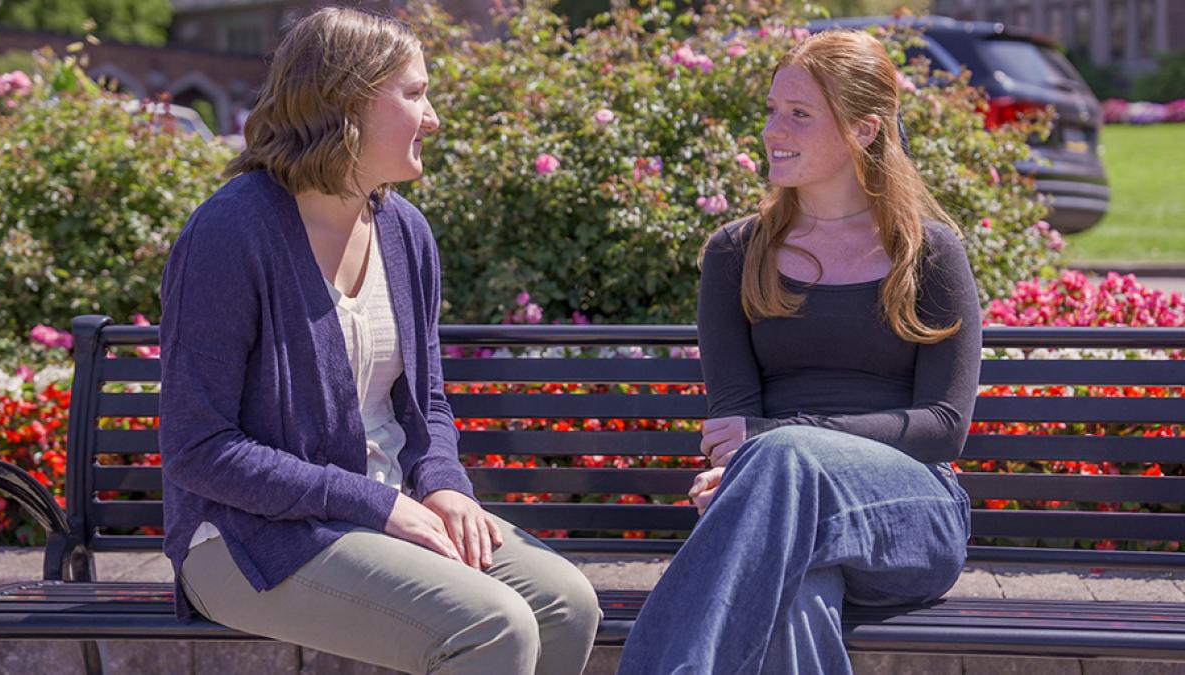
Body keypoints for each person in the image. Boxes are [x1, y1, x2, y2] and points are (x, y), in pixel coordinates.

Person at [158, 8, 600, 674]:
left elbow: (424, 399)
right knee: (492, 626)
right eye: (415, 94)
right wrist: (378, 502)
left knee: (567, 603)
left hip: (390, 508)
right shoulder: (231, 232)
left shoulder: (405, 231)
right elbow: (199, 449)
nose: (434, 118)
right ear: (346, 103)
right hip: (248, 538)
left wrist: (444, 484)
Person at [618, 29, 981, 674]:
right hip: (775, 511)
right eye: (771, 110)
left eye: (800, 114)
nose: (771, 129)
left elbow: (943, 430)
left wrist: (780, 441)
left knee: (785, 459)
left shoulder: (928, 252)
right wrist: (757, 464)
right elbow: (733, 420)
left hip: (910, 514)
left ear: (864, 130)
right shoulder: (735, 253)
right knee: (797, 595)